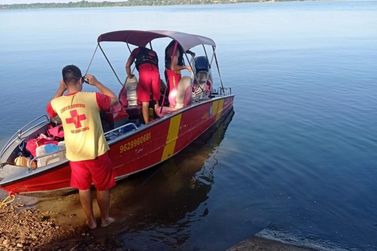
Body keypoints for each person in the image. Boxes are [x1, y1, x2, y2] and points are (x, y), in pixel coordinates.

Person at [46, 65, 117, 230]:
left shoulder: (57, 102)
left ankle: (91, 221)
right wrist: (97, 82)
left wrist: (60, 88)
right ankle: (105, 219)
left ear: (65, 82)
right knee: (102, 187)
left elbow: (50, 111)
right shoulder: (92, 97)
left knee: (83, 188)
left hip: (76, 156)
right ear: (81, 80)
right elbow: (113, 98)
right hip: (96, 153)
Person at [126, 46, 160, 124]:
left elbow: (127, 66)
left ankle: (147, 124)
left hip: (145, 75)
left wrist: (130, 75)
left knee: (145, 102)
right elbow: (156, 67)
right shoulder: (153, 52)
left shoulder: (136, 51)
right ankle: (159, 118)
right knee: (156, 100)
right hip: (155, 74)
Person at [164, 40, 194, 108]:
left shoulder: (176, 47)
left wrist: (189, 52)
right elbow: (173, 67)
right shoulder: (175, 51)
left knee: (174, 91)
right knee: (175, 95)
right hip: (173, 75)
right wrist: (186, 67)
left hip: (170, 73)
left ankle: (172, 108)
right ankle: (173, 111)